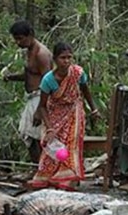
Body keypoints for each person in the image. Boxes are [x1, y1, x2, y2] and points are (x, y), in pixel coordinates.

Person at [29, 42, 99, 191]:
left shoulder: (78, 73)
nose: (66, 61)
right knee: (53, 146)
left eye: (69, 57)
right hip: (55, 113)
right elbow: (42, 106)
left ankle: (68, 177)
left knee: (71, 146)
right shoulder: (48, 80)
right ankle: (50, 175)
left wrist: (94, 109)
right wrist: (49, 128)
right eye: (62, 58)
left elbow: (86, 92)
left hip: (74, 111)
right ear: (55, 59)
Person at [4, 20, 52, 163]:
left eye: (20, 38)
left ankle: (43, 169)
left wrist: (40, 109)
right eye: (16, 39)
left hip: (40, 98)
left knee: (38, 136)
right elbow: (31, 75)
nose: (18, 42)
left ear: (30, 35)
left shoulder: (41, 54)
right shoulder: (29, 51)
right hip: (32, 97)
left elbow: (48, 82)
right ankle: (37, 168)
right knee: (28, 134)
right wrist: (12, 77)